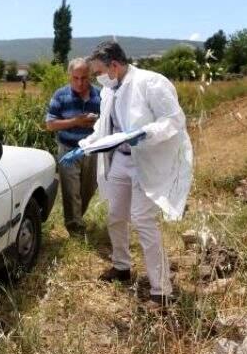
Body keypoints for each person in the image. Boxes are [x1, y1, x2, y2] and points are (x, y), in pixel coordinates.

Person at [62, 41, 193, 306]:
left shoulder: (151, 83)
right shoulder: (111, 90)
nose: (97, 77)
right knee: (116, 215)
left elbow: (174, 120)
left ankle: (161, 290)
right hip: (119, 160)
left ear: (115, 65)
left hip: (145, 160)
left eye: (99, 71)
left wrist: (145, 133)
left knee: (142, 219)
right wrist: (84, 147)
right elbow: (103, 126)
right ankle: (121, 267)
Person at [45, 58, 101, 235]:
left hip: (92, 150)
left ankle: (78, 217)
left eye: (84, 78)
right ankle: (74, 227)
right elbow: (50, 124)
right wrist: (75, 121)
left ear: (90, 76)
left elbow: (109, 122)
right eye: (76, 78)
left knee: (89, 189)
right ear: (70, 76)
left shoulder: (101, 95)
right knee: (71, 192)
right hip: (68, 149)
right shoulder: (60, 95)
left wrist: (96, 123)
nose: (80, 82)